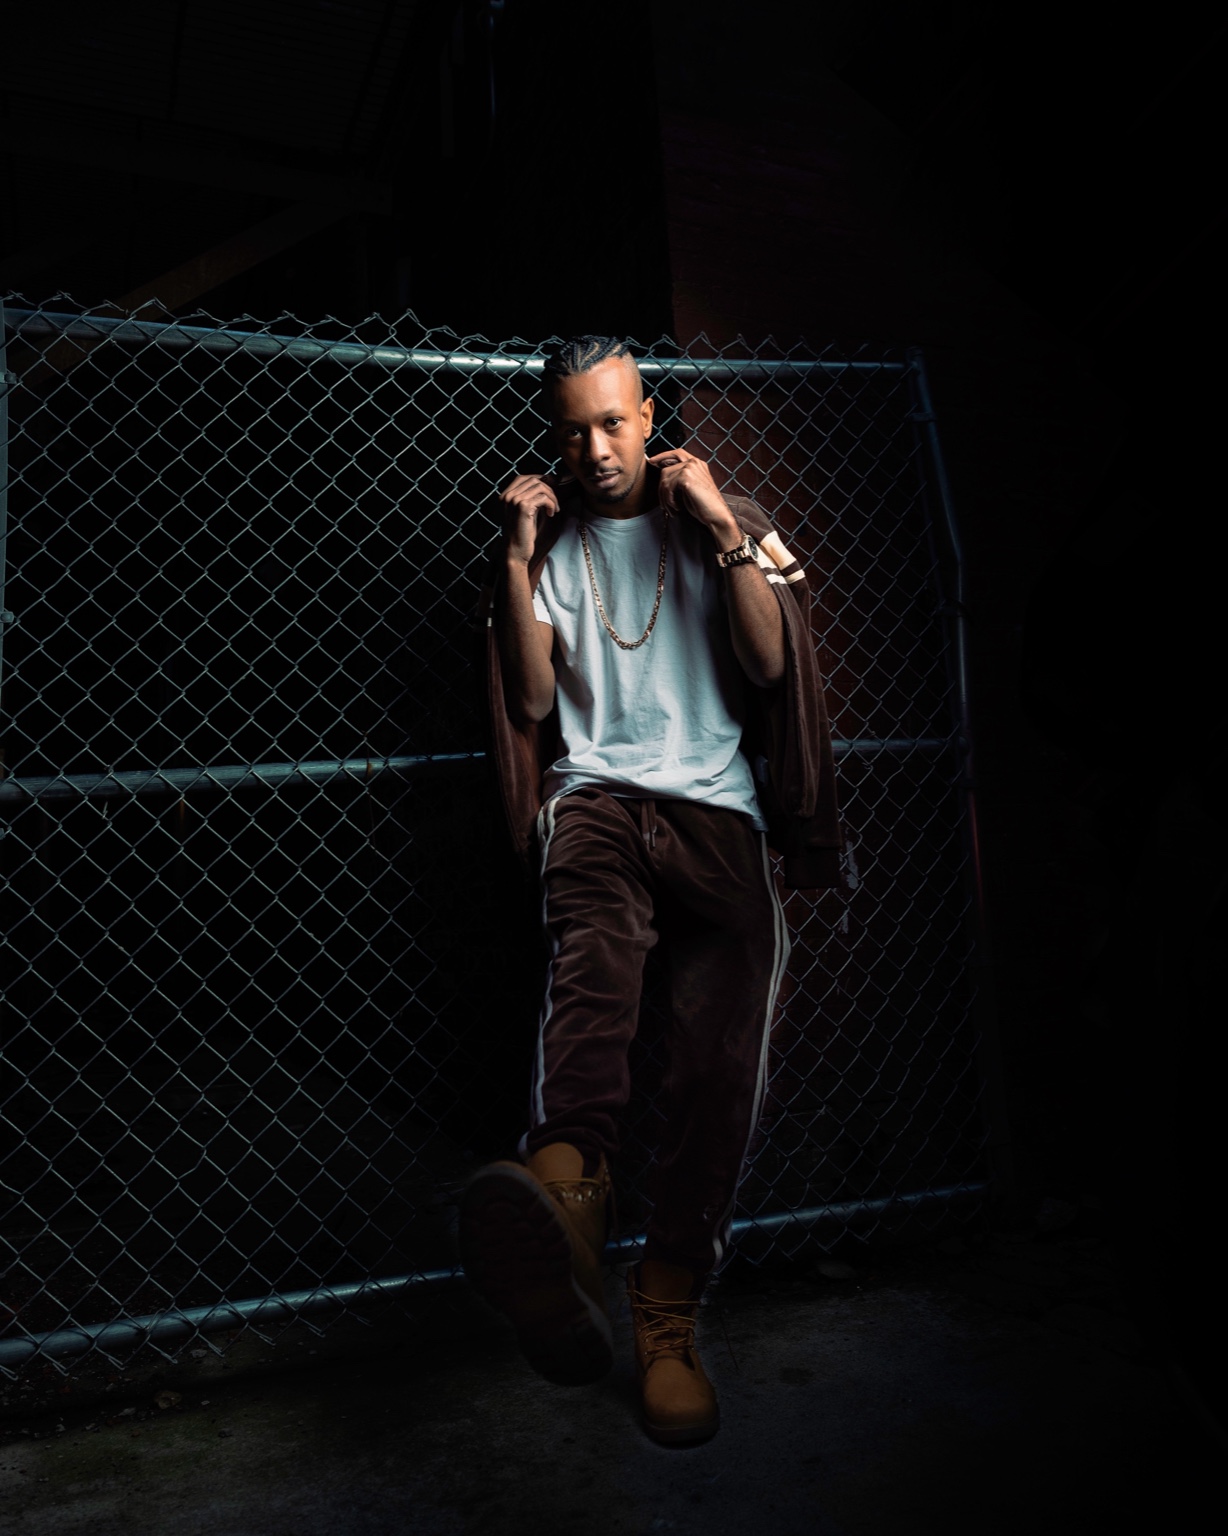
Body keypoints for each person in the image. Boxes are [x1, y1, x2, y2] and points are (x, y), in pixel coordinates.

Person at [460, 335, 841, 1446]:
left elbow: (770, 668)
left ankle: (666, 1313)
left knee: (719, 1062)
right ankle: (560, 1215)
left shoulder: (716, 519)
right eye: (574, 428)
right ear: (556, 436)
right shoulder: (549, 541)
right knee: (592, 984)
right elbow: (532, 701)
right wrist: (518, 555)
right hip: (595, 804)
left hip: (718, 808)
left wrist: (724, 530)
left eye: (614, 422)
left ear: (648, 414)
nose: (596, 447)